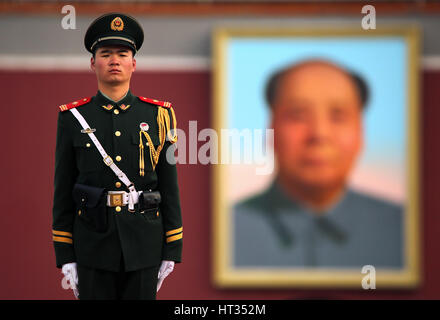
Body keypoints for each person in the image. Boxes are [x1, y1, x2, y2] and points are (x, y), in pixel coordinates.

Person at [52, 13, 183, 300]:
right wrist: (66, 254)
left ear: (133, 64)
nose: (114, 60)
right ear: (92, 63)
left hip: (144, 243)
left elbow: (168, 183)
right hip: (92, 243)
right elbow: (63, 188)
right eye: (106, 54)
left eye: (122, 54)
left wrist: (172, 247)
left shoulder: (159, 115)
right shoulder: (73, 117)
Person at [233, 59, 403, 269]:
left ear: (361, 131)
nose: (319, 134)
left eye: (338, 116)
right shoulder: (225, 231)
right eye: (298, 115)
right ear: (271, 128)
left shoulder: (404, 230)